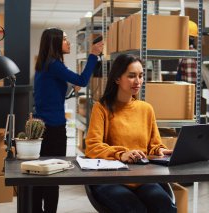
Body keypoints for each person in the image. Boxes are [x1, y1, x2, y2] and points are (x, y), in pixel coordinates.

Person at [85, 54, 177, 213]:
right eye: (132, 76)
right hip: (110, 179)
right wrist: (121, 154)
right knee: (135, 210)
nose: (138, 81)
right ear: (117, 78)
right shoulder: (101, 108)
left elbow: (153, 145)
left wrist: (160, 151)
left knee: (165, 206)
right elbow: (92, 146)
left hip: (142, 178)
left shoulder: (146, 108)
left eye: (141, 76)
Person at [33, 28, 103, 213]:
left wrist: (70, 89)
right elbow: (83, 79)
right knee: (53, 177)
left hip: (44, 126)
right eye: (64, 39)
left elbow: (50, 95)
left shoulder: (45, 65)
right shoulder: (55, 65)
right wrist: (93, 55)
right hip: (53, 128)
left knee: (40, 176)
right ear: (55, 43)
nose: (69, 42)